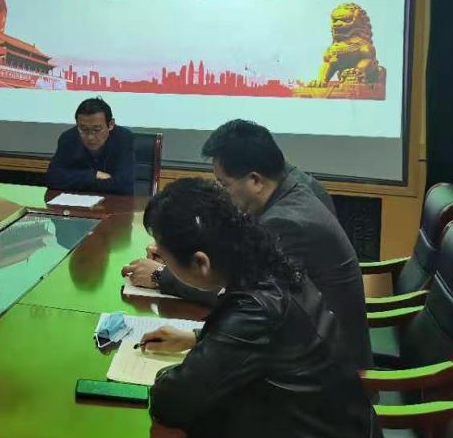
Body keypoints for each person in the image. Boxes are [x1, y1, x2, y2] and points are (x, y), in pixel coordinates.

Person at [139, 179, 395, 438]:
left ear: (201, 262)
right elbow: (273, 340)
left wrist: (166, 374)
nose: (162, 263)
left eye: (165, 258)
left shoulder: (256, 309)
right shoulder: (269, 263)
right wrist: (199, 337)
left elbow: (175, 400)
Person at [124, 119, 372, 369]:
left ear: (255, 180)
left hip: (326, 369)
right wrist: (180, 254)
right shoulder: (293, 185)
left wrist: (162, 275)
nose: (222, 194)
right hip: (312, 342)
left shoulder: (285, 223)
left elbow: (245, 299)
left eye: (224, 185)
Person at [45, 97, 135, 195]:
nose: (90, 137)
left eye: (97, 130)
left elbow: (124, 185)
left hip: (114, 203)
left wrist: (76, 181)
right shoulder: (68, 138)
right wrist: (93, 175)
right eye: (83, 129)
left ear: (111, 124)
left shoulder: (124, 138)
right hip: (77, 202)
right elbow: (52, 179)